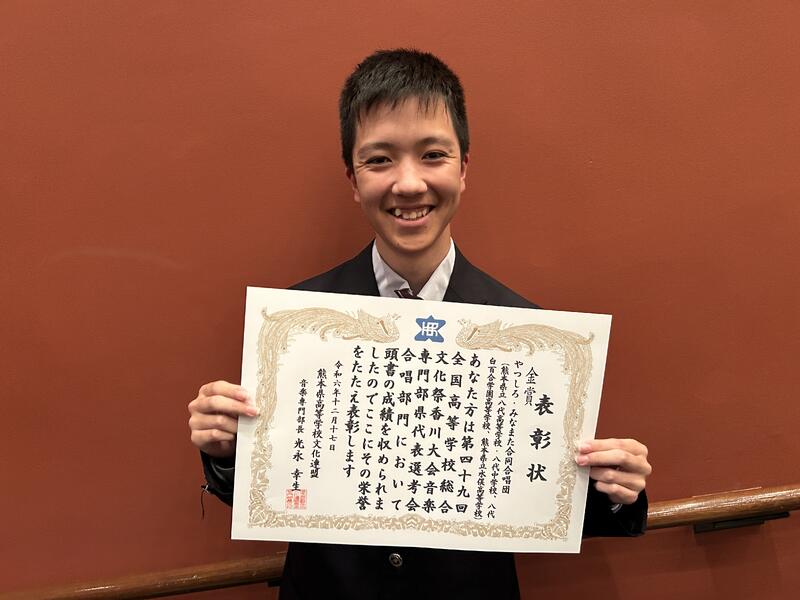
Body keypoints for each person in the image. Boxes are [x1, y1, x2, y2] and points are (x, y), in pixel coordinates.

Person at [188, 48, 652, 600]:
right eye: (380, 160)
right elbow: (275, 485)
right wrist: (224, 449)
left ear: (463, 167)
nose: (408, 184)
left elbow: (543, 497)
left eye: (433, 155)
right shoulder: (295, 324)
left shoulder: (530, 338)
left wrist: (616, 489)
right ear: (353, 178)